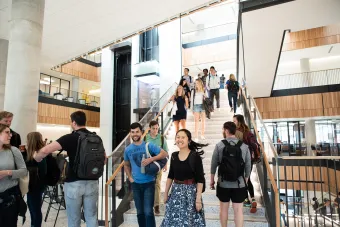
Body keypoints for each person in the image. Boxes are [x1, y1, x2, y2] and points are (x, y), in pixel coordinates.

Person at [34, 111, 106, 227]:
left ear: (73, 122)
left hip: (74, 184)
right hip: (93, 183)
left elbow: (45, 151)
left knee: (74, 219)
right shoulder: (96, 138)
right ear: (84, 121)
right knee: (92, 217)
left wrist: (36, 159)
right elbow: (104, 159)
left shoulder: (70, 137)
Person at [124, 122, 168, 227]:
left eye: (137, 132)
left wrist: (151, 159)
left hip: (149, 183)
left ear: (142, 133)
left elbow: (164, 154)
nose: (135, 134)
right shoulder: (128, 149)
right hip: (135, 185)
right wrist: (130, 178)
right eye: (132, 132)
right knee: (140, 213)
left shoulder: (148, 145)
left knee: (148, 212)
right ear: (130, 133)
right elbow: (126, 165)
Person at [161, 129, 207, 226]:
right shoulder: (174, 156)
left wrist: (198, 199)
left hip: (190, 194)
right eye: (178, 137)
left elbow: (200, 179)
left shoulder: (195, 156)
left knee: (189, 222)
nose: (180, 139)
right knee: (172, 222)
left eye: (183, 137)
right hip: (175, 194)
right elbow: (170, 176)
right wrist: (165, 194)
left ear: (189, 140)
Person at [210, 121, 251, 227]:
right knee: (238, 210)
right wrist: (245, 180)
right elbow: (248, 166)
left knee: (223, 209)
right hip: (239, 183)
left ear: (226, 130)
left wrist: (212, 180)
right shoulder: (244, 146)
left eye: (223, 129)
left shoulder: (219, 145)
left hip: (223, 183)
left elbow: (213, 164)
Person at [0, 123, 28, 227]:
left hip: (10, 200)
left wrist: (7, 172)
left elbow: (24, 171)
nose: (11, 135)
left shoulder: (13, 150)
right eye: (7, 132)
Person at [233, 114, 257, 213]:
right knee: (247, 178)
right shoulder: (248, 132)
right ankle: (253, 198)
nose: (233, 123)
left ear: (238, 121)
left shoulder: (237, 133)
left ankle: (246, 200)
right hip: (249, 159)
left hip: (241, 159)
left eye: (234, 121)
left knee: (242, 179)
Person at [144, 120, 169, 215]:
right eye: (153, 128)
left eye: (157, 128)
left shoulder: (161, 138)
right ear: (149, 128)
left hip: (158, 165)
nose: (155, 130)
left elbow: (166, 152)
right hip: (148, 164)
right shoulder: (145, 138)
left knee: (157, 184)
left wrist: (165, 164)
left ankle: (157, 206)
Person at [25, 132, 47, 227]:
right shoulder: (33, 152)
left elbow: (43, 171)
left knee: (35, 209)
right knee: (32, 207)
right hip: (33, 185)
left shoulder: (39, 153)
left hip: (36, 185)